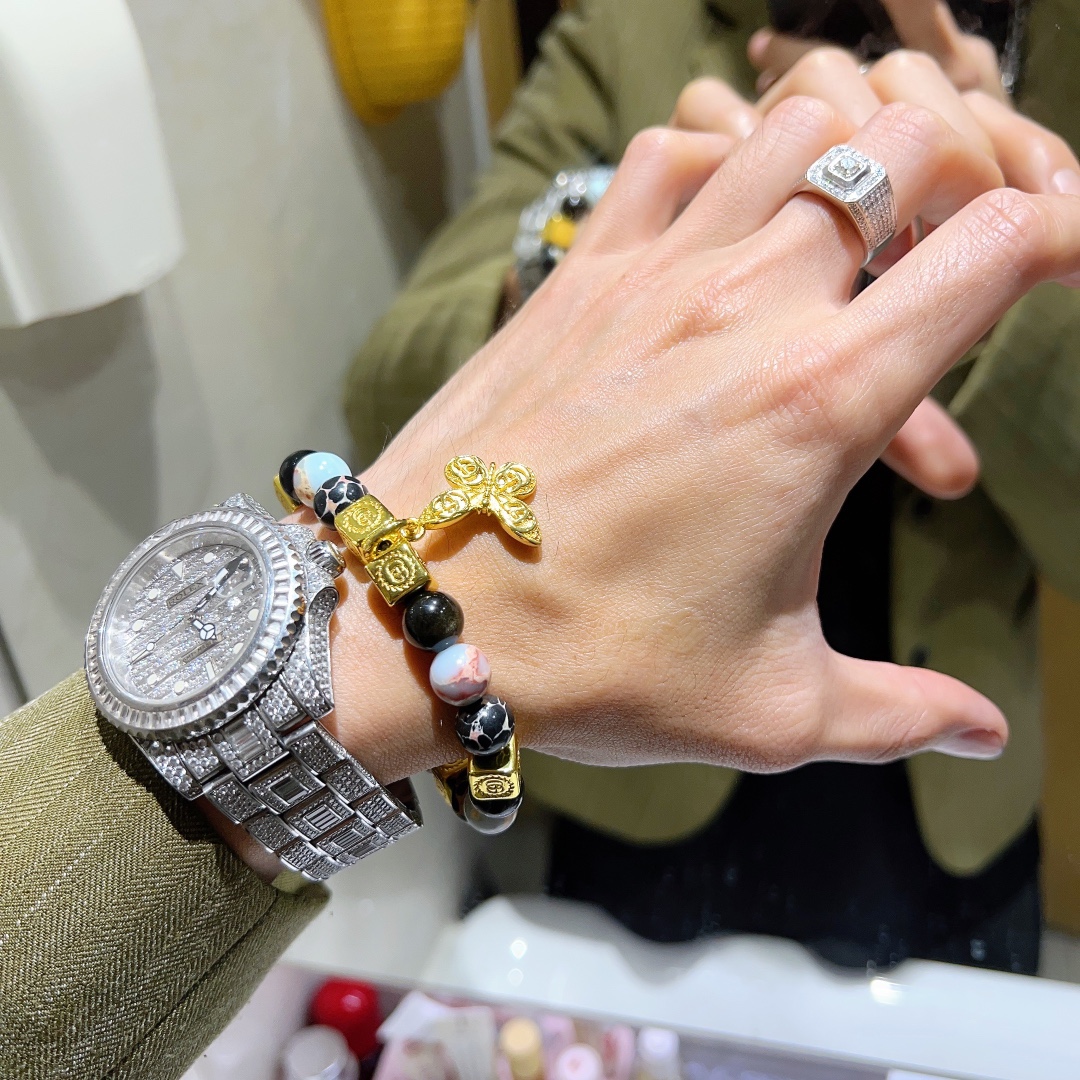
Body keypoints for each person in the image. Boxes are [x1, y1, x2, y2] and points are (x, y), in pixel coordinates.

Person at [6, 95, 1080, 1078]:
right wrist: (563, 267)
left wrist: (965, 313)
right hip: (633, 826)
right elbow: (387, 367)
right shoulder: (625, 40)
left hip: (951, 843)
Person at [344, 0, 1080, 972]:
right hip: (635, 786)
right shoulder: (630, 30)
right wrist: (619, 266)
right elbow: (384, 386)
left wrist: (987, 264)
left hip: (946, 816)